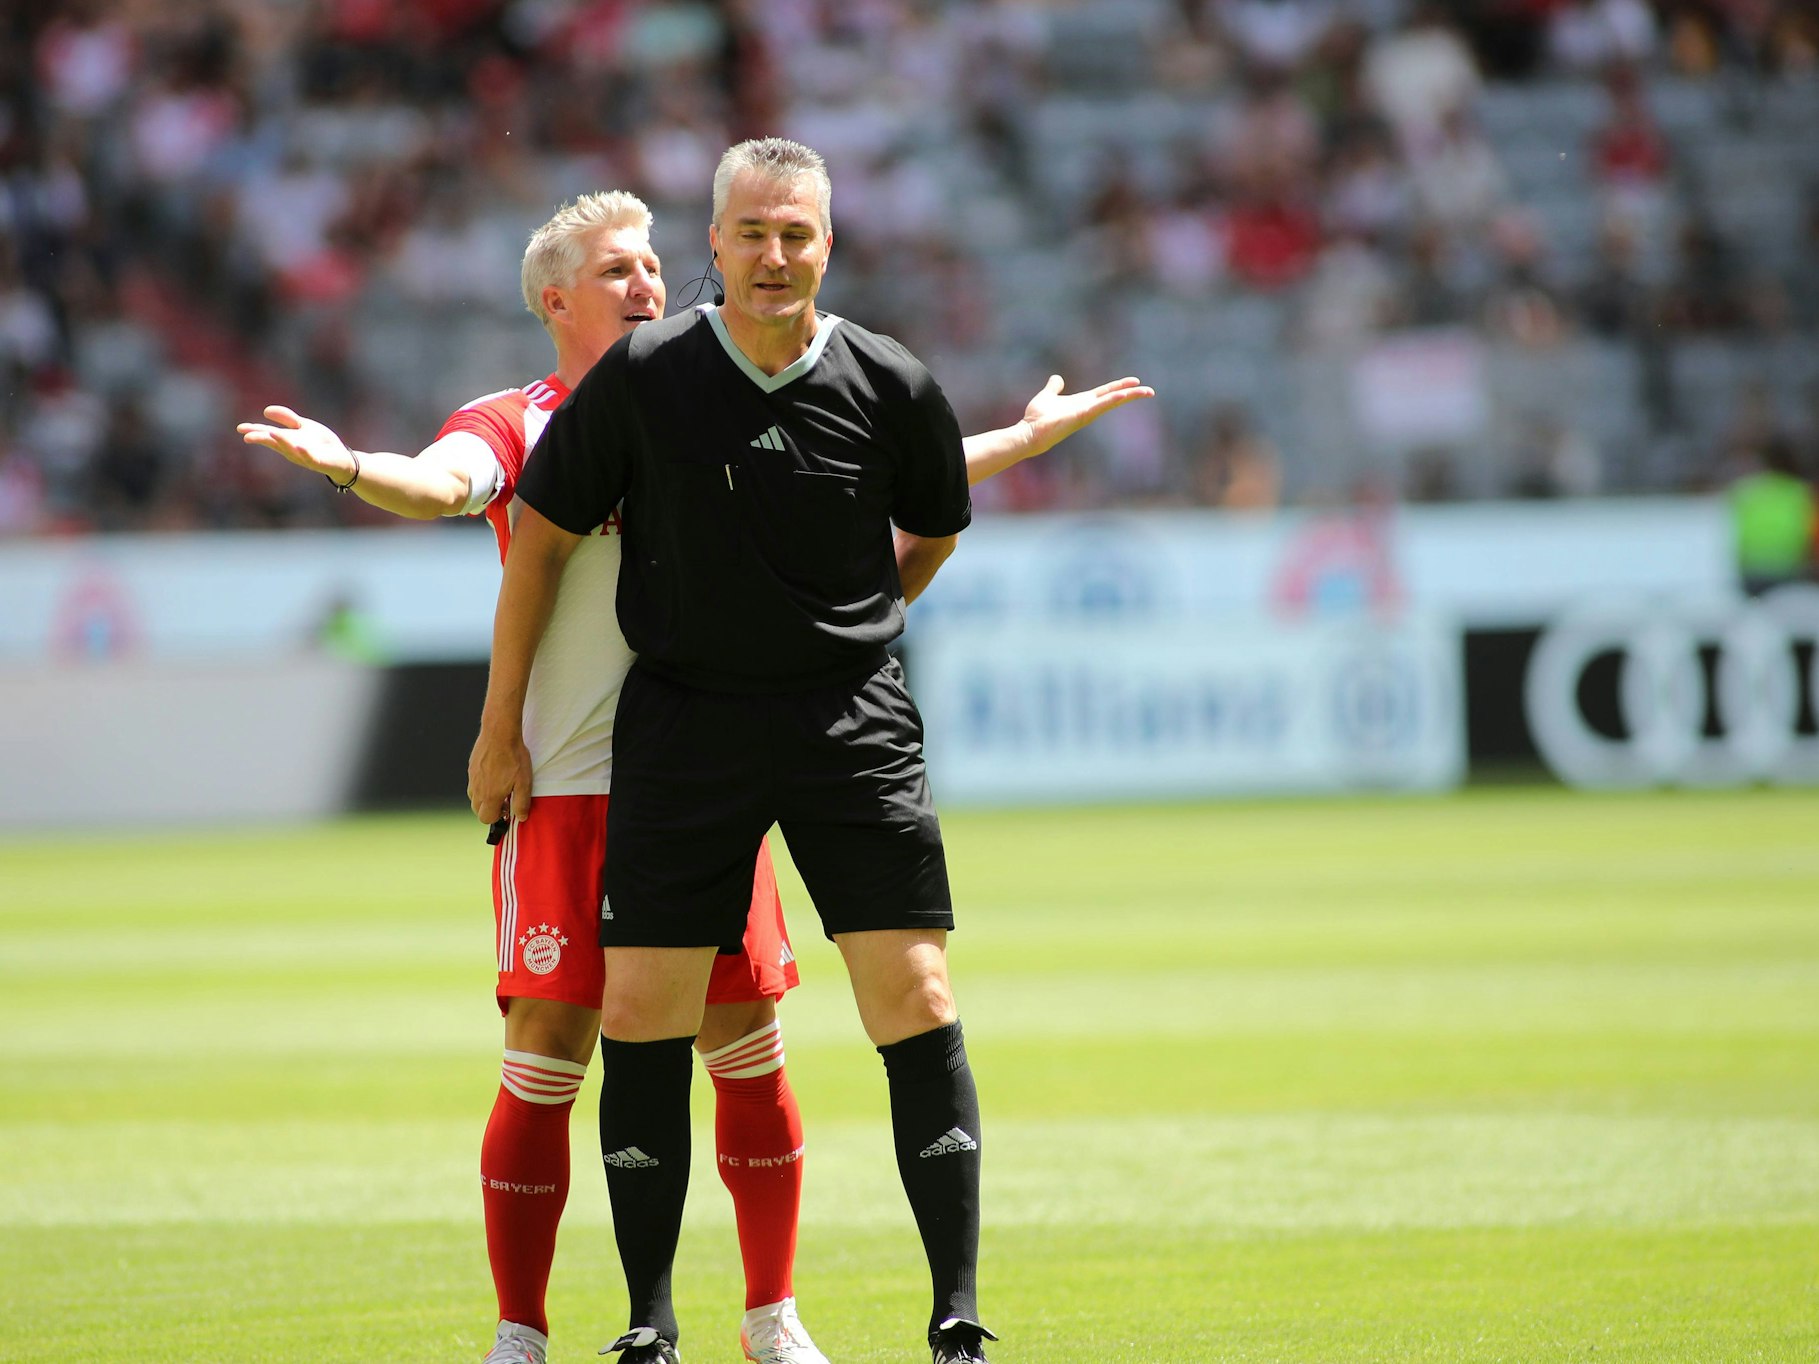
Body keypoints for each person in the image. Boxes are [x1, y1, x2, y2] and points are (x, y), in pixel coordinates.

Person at [241, 188, 1150, 1364]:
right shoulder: (519, 422)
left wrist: (1014, 442)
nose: (647, 284)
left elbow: (859, 457)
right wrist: (349, 467)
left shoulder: (697, 387)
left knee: (746, 1040)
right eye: (615, 270)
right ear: (554, 299)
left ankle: (770, 1315)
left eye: (652, 265)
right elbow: (441, 479)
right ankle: (522, 1329)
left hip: (709, 763)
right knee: (549, 1049)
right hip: (571, 784)